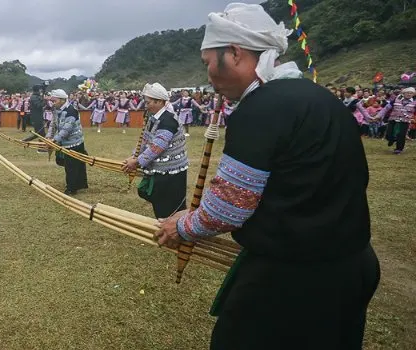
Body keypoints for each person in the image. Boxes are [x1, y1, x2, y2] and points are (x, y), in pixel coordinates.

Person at [155, 4, 380, 350]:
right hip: (353, 266)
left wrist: (181, 227)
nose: (208, 75)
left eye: (207, 63)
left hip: (294, 279)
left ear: (233, 52)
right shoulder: (321, 98)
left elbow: (229, 208)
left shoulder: (261, 109)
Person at [122, 83, 188, 218]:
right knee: (161, 203)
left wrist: (137, 162)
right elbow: (146, 140)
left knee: (169, 206)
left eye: (148, 102)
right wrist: (133, 156)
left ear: (159, 102)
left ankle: (173, 231)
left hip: (171, 172)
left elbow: (156, 147)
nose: (146, 105)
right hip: (162, 170)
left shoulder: (168, 120)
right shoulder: (155, 117)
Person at [48, 89, 88, 195]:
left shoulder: (71, 110)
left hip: (74, 143)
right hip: (64, 143)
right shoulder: (56, 109)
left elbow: (66, 129)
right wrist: (48, 137)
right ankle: (78, 183)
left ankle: (71, 188)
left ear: (62, 100)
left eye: (54, 100)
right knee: (62, 161)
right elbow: (53, 124)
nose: (52, 103)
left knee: (72, 167)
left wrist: (55, 139)